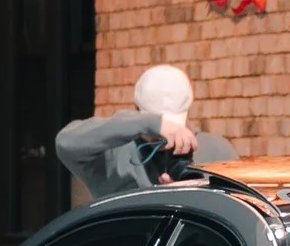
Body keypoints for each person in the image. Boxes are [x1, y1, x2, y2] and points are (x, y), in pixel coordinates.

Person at [55, 65, 239, 203]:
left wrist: (195, 198)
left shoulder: (217, 152)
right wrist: (149, 124)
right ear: (137, 110)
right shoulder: (113, 156)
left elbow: (242, 213)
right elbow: (66, 143)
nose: (165, 138)